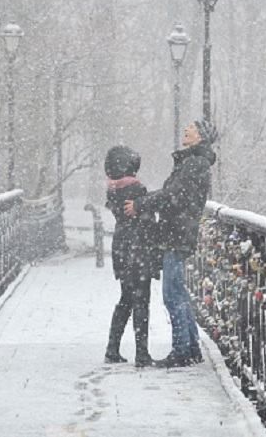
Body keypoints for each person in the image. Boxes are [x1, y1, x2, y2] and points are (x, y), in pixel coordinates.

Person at [125, 119, 218, 368]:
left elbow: (174, 196)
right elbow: (175, 195)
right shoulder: (193, 162)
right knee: (179, 292)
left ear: (200, 137)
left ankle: (181, 351)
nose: (186, 130)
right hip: (177, 233)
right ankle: (191, 347)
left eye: (192, 128)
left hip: (176, 234)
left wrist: (141, 204)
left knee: (172, 295)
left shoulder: (194, 164)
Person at [103, 145, 159, 368]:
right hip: (138, 246)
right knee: (141, 300)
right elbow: (146, 217)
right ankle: (142, 352)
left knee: (126, 298)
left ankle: (112, 347)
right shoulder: (135, 189)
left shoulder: (113, 189)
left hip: (122, 246)